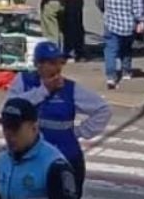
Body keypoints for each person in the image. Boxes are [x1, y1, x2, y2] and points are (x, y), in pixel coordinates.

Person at [6, 41, 111, 195]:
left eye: (60, 63)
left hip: (65, 157)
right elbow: (10, 108)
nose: (57, 68)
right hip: (29, 158)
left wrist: (79, 132)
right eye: (52, 63)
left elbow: (103, 109)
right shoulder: (24, 81)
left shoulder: (70, 88)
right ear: (39, 64)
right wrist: (44, 90)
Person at [0, 98, 80, 199]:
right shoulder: (3, 161)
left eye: (15, 128)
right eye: (6, 127)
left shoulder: (54, 165)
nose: (9, 134)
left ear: (34, 128)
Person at [96, 0, 144, 89]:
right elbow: (137, 4)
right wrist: (141, 21)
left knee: (110, 50)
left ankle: (111, 77)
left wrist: (103, 9)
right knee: (126, 48)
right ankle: (126, 71)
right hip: (128, 23)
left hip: (111, 21)